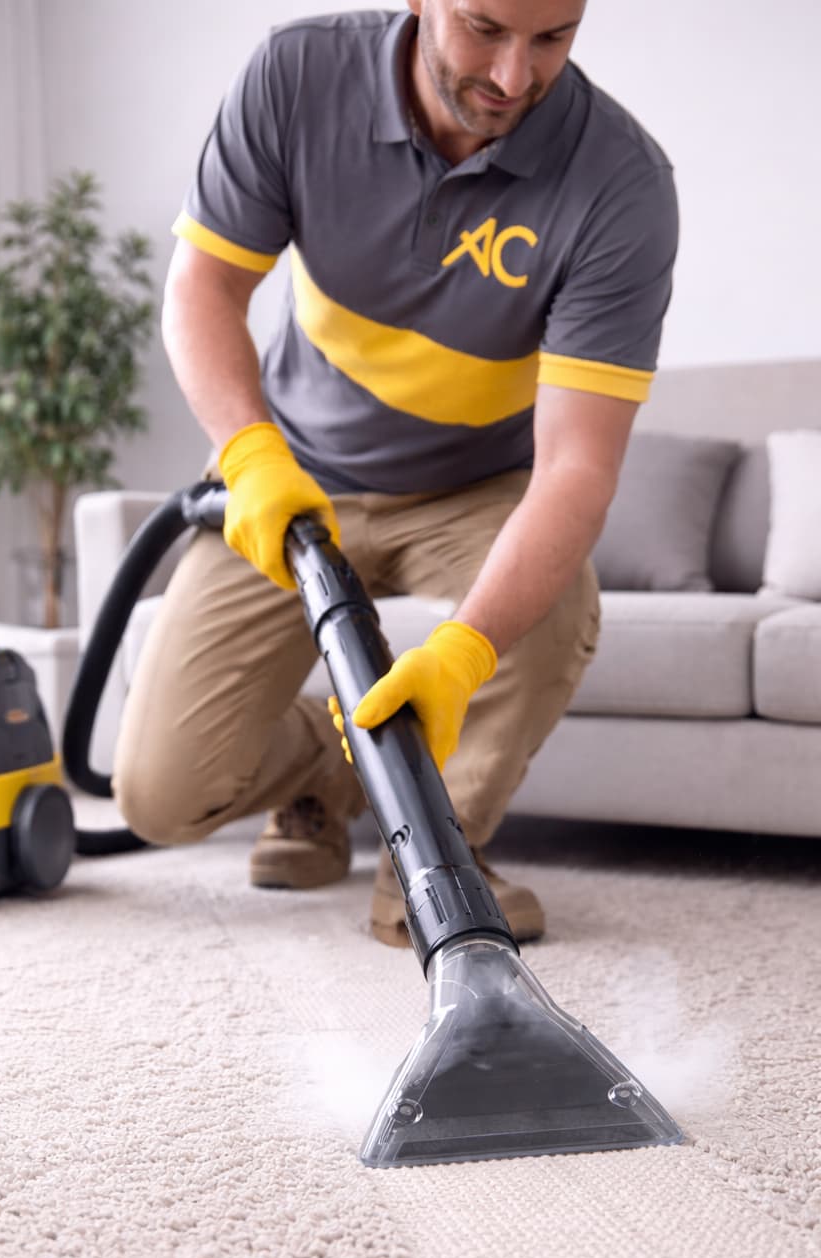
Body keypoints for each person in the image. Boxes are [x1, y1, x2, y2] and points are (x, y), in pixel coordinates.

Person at [113, 0, 679, 945]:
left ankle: (435, 868)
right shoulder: (299, 77)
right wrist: (250, 455)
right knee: (160, 798)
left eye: (553, 38)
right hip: (294, 476)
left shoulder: (619, 181)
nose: (513, 78)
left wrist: (461, 657)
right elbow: (202, 287)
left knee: (555, 608)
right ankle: (331, 779)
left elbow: (577, 468)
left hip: (478, 489)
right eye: (486, 27)